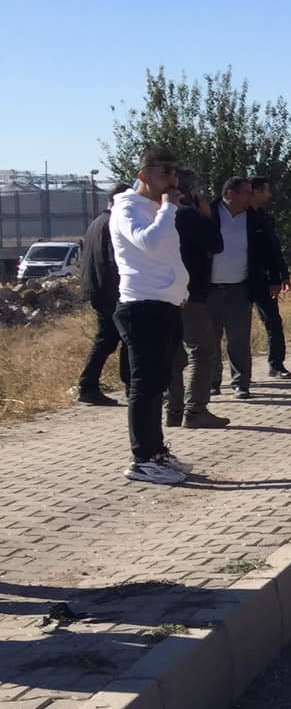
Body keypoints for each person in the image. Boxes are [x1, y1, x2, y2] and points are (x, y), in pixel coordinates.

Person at [109, 146, 192, 484]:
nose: (171, 181)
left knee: (159, 383)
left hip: (165, 305)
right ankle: (142, 459)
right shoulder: (128, 207)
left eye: (174, 173)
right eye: (164, 174)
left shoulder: (158, 207)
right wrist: (169, 208)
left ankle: (157, 452)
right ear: (144, 176)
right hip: (141, 306)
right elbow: (148, 242)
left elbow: (168, 256)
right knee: (144, 386)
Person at [174, 170, 229, 428]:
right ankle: (195, 410)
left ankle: (172, 409)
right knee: (202, 350)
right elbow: (215, 244)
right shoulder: (188, 216)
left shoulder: (157, 214)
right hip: (191, 293)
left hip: (165, 293)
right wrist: (207, 217)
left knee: (173, 354)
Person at [207, 176, 260, 402]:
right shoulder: (208, 214)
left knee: (238, 339)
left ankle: (241, 383)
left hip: (240, 287)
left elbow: (268, 247)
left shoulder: (254, 219)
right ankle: (211, 382)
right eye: (246, 192)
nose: (251, 196)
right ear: (230, 194)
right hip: (209, 289)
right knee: (210, 339)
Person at [76, 189, 127, 405]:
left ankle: (89, 385)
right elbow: (114, 261)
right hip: (111, 291)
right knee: (126, 338)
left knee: (107, 340)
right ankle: (130, 386)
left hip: (99, 289)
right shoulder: (112, 223)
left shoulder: (96, 222)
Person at [247, 177, 291, 378]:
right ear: (256, 192)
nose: (269, 194)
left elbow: (274, 249)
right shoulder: (241, 217)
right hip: (241, 279)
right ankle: (233, 374)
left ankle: (276, 364)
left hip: (265, 280)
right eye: (266, 190)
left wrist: (281, 275)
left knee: (273, 321)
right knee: (236, 327)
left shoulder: (265, 217)